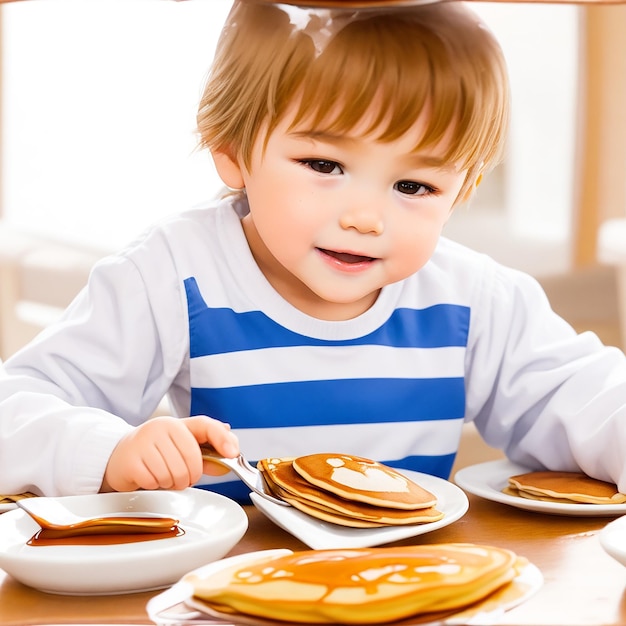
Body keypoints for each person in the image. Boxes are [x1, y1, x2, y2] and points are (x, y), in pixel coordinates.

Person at [2, 0, 626, 504]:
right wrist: (105, 451)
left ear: (461, 190)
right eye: (324, 163)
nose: (365, 217)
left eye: (415, 186)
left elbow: (581, 396)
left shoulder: (473, 299)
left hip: (412, 588)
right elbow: (16, 408)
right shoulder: (173, 274)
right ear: (232, 147)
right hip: (229, 590)